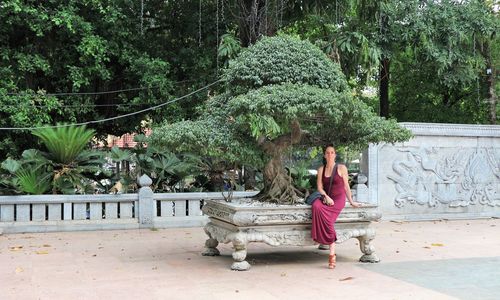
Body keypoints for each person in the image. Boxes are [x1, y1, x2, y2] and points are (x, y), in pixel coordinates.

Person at [311, 144, 361, 269]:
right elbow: (320, 188)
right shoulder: (321, 169)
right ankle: (322, 238)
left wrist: (352, 201)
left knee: (328, 221)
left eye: (332, 152)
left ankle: (332, 252)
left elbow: (346, 186)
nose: (330, 155)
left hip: (338, 199)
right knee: (316, 206)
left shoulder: (341, 168)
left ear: (335, 155)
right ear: (324, 155)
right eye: (327, 153)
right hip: (327, 198)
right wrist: (326, 196)